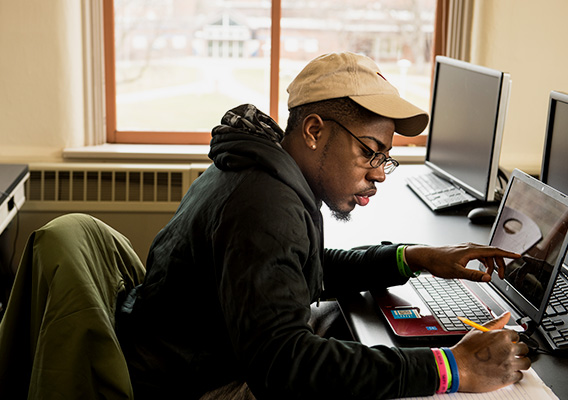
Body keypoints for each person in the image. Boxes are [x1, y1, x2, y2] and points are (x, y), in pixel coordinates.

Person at [117, 52, 530, 399]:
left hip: (191, 355)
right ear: (314, 131)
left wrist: (411, 258)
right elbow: (283, 365)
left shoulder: (258, 168)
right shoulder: (263, 206)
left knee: (354, 329)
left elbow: (300, 268)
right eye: (370, 151)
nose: (380, 174)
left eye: (384, 157)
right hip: (199, 387)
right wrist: (453, 367)